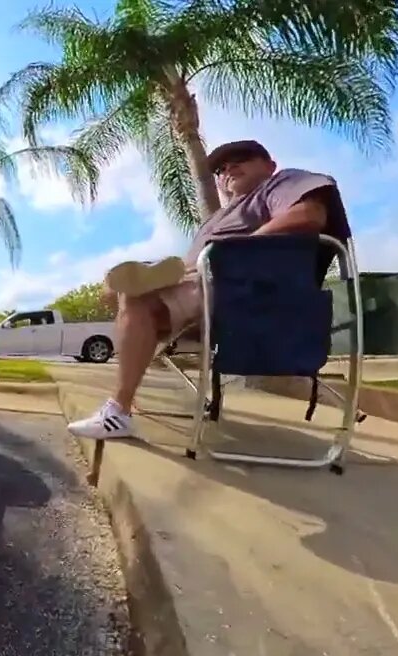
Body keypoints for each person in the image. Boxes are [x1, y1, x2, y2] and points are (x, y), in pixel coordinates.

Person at [67, 139, 351, 439]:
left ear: (269, 165)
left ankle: (118, 411)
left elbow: (309, 216)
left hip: (241, 290)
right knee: (127, 295)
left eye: (242, 158)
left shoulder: (281, 183)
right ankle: (156, 282)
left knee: (139, 298)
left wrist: (234, 251)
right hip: (201, 291)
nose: (229, 168)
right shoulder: (218, 217)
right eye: (221, 168)